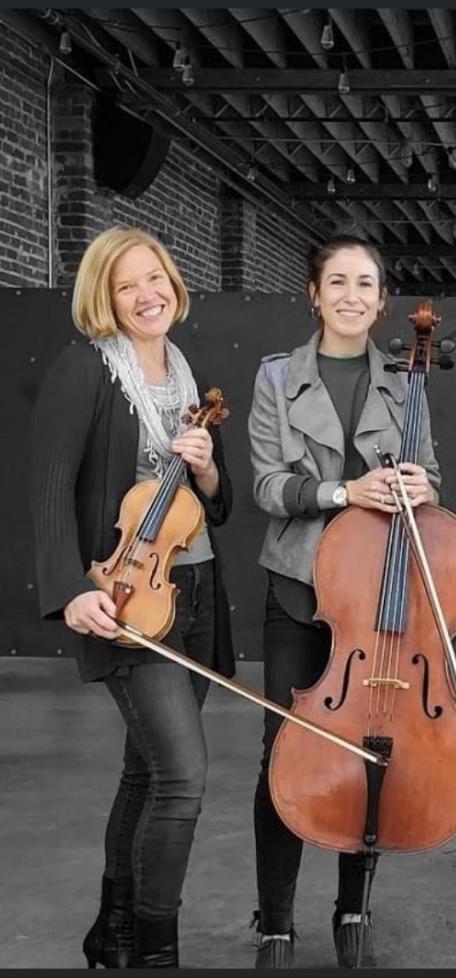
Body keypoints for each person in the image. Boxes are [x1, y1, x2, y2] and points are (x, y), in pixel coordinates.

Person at [30, 227, 235, 968]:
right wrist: (69, 590)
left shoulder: (184, 371)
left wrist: (209, 470)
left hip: (197, 589)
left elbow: (217, 505)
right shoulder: (84, 370)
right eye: (127, 286)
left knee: (145, 772)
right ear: (103, 299)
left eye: (156, 278)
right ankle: (155, 949)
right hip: (121, 596)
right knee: (182, 777)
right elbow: (50, 485)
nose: (147, 295)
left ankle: (112, 930)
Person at [247, 234, 440, 969]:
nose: (353, 295)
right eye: (338, 282)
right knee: (283, 755)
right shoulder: (275, 379)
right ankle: (275, 921)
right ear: (314, 293)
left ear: (382, 299)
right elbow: (269, 484)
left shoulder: (405, 376)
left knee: (370, 750)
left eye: (366, 283)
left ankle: (354, 906)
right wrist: (343, 492)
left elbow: (432, 476)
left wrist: (425, 486)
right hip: (301, 590)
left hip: (378, 598)